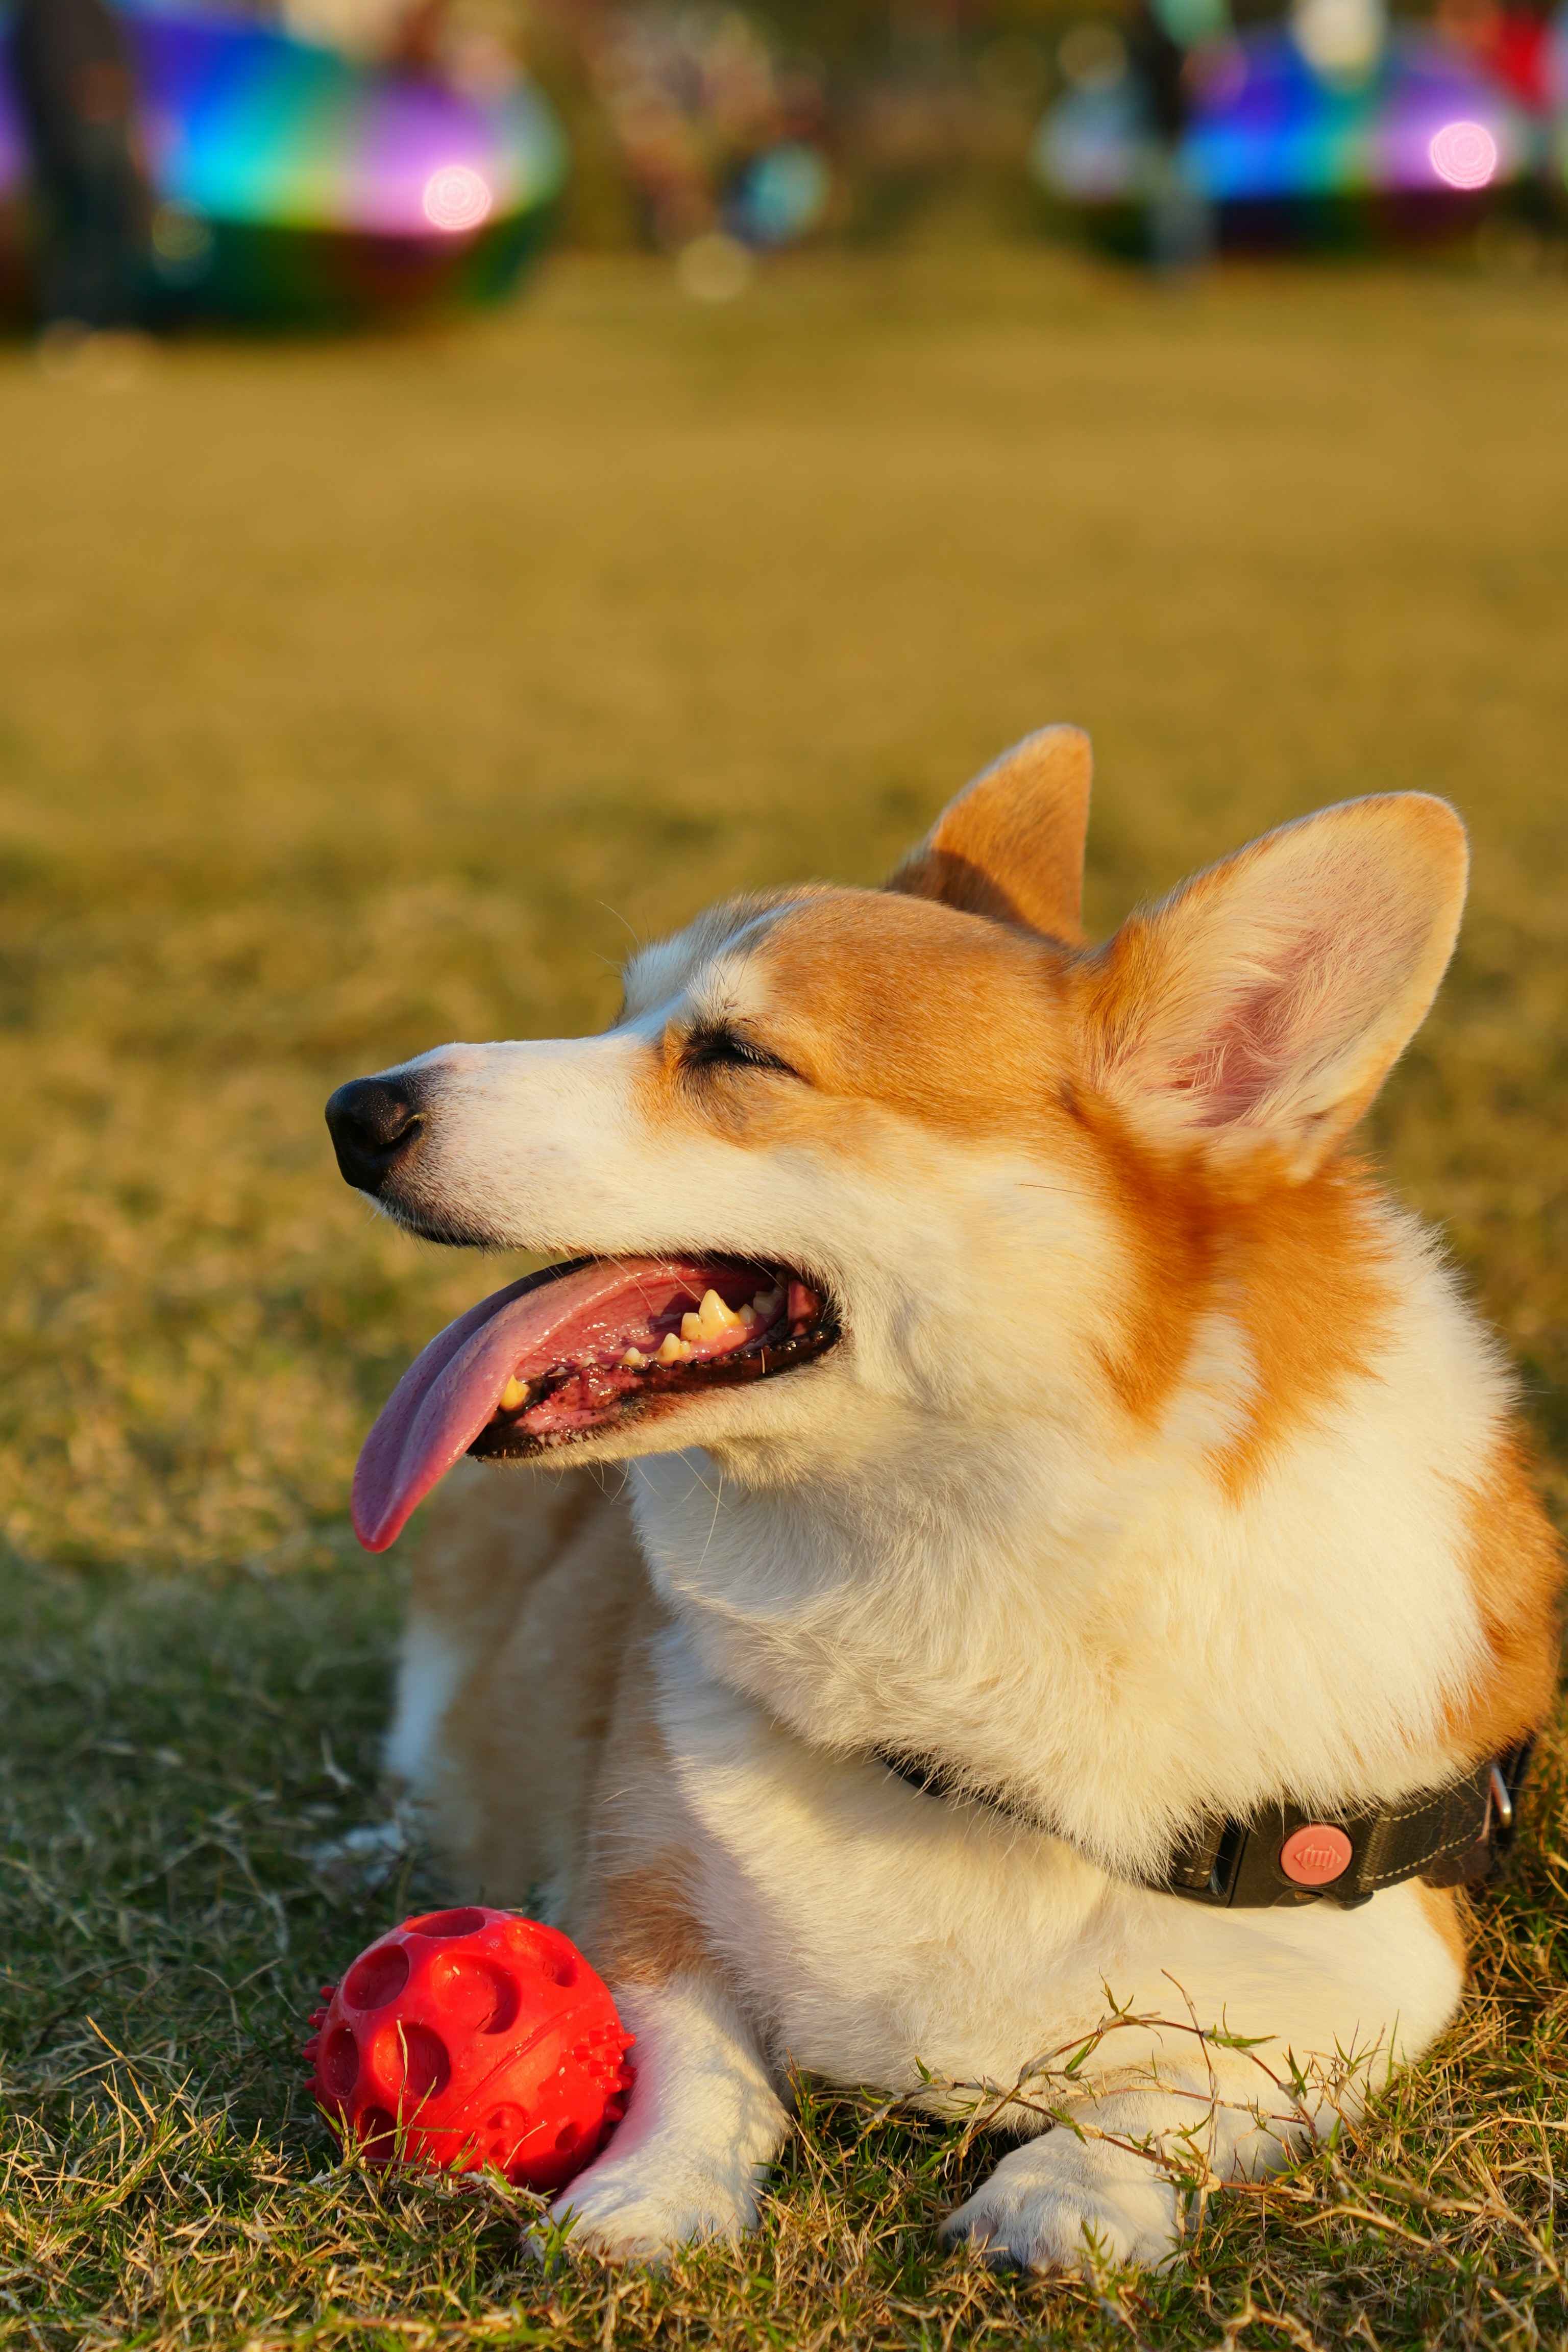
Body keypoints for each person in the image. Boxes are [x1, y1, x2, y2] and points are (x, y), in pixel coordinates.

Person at [8, 0, 149, 335]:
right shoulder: (47, 12)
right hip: (72, 142)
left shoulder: (96, 11)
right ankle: (70, 327)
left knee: (110, 233)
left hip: (104, 137)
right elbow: (68, 78)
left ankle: (104, 326)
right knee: (80, 236)